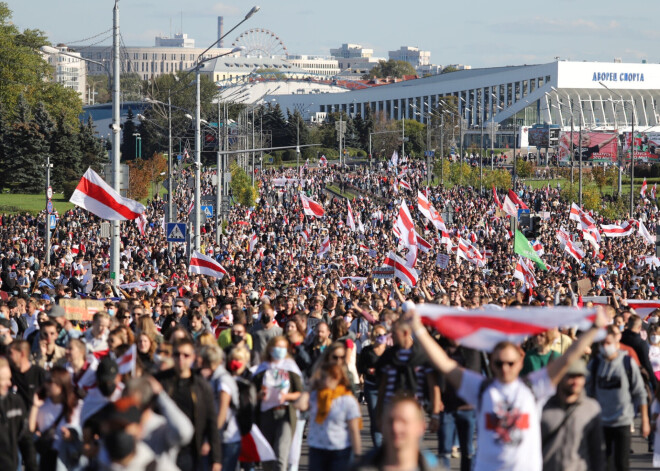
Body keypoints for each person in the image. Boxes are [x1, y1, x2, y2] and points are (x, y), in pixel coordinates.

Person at [405, 303, 605, 471]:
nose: (504, 368)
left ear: (520, 362)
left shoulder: (533, 387)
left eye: (510, 363)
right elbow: (445, 365)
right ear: (491, 364)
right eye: (499, 363)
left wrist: (595, 329)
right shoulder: (481, 388)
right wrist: (418, 330)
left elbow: (567, 358)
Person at [587, 325, 649, 471]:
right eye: (602, 344)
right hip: (601, 423)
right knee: (603, 465)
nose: (605, 347)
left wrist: (645, 420)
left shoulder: (627, 363)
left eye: (608, 343)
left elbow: (640, 392)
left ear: (616, 344)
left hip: (623, 421)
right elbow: (587, 393)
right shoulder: (595, 364)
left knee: (622, 464)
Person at [156, 337, 221, 471]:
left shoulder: (201, 386)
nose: (181, 359)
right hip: (165, 447)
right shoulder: (161, 382)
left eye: (186, 355)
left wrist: (216, 459)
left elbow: (211, 422)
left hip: (191, 450)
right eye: (177, 354)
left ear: (193, 357)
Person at [541, 359, 605, 471]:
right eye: (571, 376)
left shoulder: (591, 408)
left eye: (580, 376)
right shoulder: (543, 408)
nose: (576, 381)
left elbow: (597, 451)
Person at [295, 363, 362, 471]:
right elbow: (300, 405)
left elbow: (354, 430)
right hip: (317, 448)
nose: (327, 379)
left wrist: (357, 454)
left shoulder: (347, 400)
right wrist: (310, 387)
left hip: (340, 449)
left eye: (332, 376)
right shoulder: (315, 396)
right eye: (324, 376)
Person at [352, 395, 441, 471]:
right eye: (390, 421)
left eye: (404, 421)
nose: (395, 428)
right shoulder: (359, 467)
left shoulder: (435, 468)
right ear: (381, 425)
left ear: (421, 427)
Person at [253, 336, 303, 471]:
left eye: (282, 348)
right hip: (266, 415)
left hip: (285, 414)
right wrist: (260, 395)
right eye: (277, 347)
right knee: (268, 457)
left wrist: (286, 396)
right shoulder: (262, 369)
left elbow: (299, 392)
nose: (279, 351)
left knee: (281, 456)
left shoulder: (290, 367)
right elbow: (251, 393)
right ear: (270, 349)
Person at [0, 356, 37, 471]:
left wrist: (32, 467)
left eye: (9, 378)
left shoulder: (15, 402)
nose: (9, 383)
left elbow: (25, 439)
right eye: (3, 379)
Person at [357, 324, 387, 447]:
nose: (381, 337)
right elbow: (360, 366)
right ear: (373, 335)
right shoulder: (367, 350)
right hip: (372, 386)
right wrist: (367, 371)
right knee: (375, 417)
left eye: (383, 335)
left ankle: (388, 444)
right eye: (378, 334)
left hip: (386, 387)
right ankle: (378, 447)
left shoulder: (389, 350)